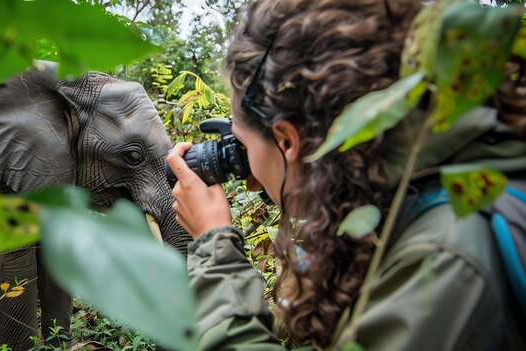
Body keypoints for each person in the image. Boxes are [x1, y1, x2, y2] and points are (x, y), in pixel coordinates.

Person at [166, 0, 526, 349]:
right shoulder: (421, 192)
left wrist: (215, 249)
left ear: (287, 140)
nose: (250, 177)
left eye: (243, 143)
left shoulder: (446, 255)